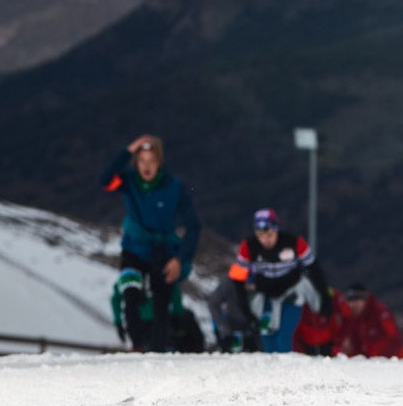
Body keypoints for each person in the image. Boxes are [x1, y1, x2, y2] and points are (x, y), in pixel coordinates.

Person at [100, 134, 201, 352]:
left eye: (151, 161)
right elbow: (104, 180)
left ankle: (157, 353)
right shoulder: (128, 181)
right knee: (130, 292)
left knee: (160, 303)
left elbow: (193, 227)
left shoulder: (174, 188)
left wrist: (179, 259)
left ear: (159, 163)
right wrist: (128, 150)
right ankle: (136, 348)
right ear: (136, 163)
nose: (146, 167)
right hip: (133, 250)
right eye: (141, 161)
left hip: (163, 252)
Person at [226, 208, 332, 353]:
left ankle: (286, 370)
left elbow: (314, 269)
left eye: (269, 234)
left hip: (292, 293)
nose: (266, 240)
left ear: (276, 230)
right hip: (266, 295)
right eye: (260, 235)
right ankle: (272, 372)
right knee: (267, 336)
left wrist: (325, 296)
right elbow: (237, 279)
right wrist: (246, 311)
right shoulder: (248, 247)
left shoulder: (295, 243)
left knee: (284, 337)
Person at [335, 283, 403, 358]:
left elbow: (394, 339)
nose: (353, 305)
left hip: (389, 361)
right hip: (370, 362)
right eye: (350, 301)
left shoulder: (380, 314)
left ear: (365, 300)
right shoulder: (353, 318)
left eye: (357, 300)